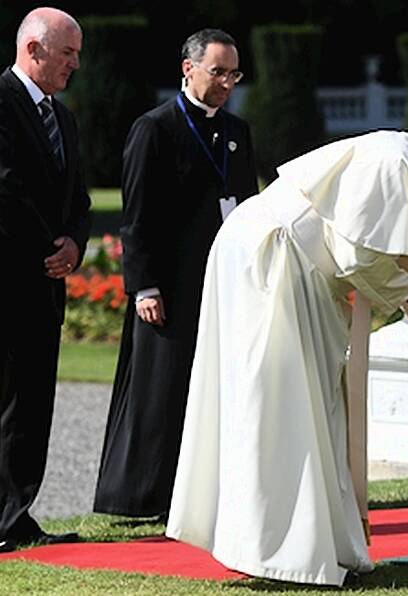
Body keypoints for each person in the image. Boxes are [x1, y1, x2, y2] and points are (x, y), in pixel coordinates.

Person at [165, 115, 408, 586]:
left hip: (277, 264)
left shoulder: (399, 158)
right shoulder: (394, 161)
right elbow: (361, 257)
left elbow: (403, 273)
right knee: (280, 407)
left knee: (309, 407)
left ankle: (314, 546)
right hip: (272, 265)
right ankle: (277, 552)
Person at [93, 29, 258, 518]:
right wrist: (144, 285)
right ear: (189, 69)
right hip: (168, 285)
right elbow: (137, 216)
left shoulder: (236, 132)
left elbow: (247, 209)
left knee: (212, 387)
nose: (227, 82)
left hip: (220, 284)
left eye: (234, 73)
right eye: (218, 71)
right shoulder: (155, 128)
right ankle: (143, 496)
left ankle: (204, 493)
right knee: (161, 391)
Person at [0, 7, 91, 552]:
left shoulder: (64, 118)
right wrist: (47, 248)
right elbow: (5, 188)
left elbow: (77, 198)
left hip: (45, 288)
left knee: (33, 406)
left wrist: (75, 243)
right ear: (33, 48)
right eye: (67, 53)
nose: (76, 64)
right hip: (10, 278)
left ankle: (16, 514)